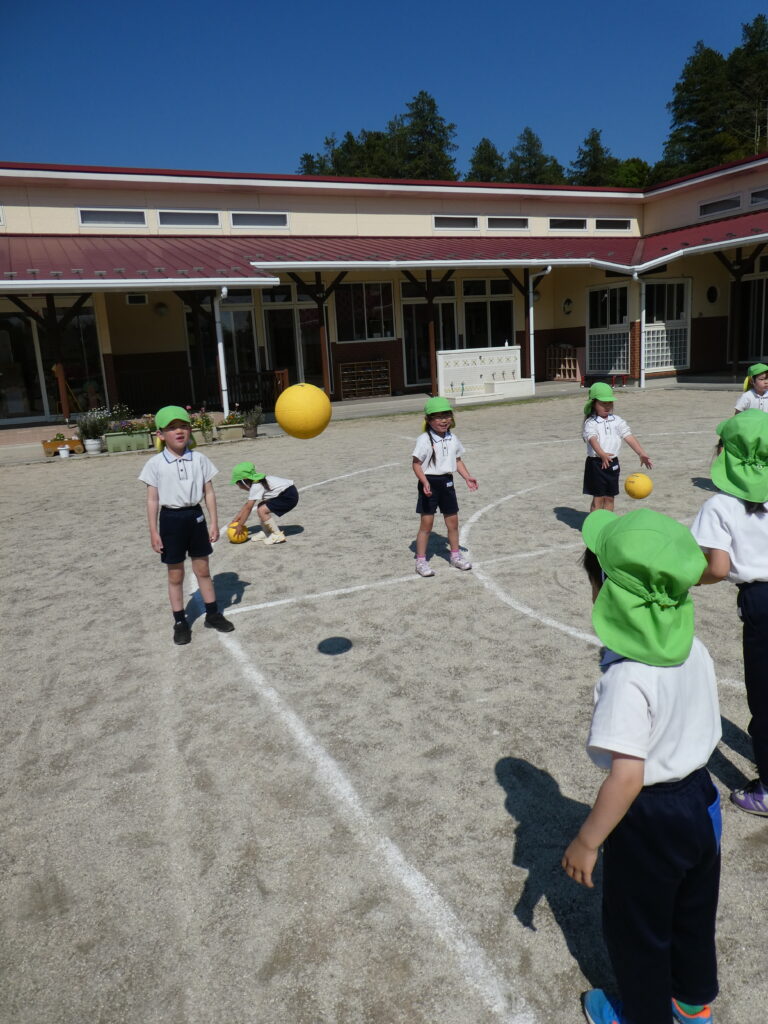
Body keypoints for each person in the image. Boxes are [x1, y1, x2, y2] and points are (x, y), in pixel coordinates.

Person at [562, 508, 721, 1024]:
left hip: (650, 817)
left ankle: (644, 1016)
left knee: (639, 928)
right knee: (693, 909)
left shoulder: (626, 678)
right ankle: (692, 1003)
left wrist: (588, 840)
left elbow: (627, 777)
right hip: (702, 800)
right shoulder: (694, 648)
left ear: (605, 596)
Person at [691, 408, 768, 816]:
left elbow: (717, 568)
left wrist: (690, 579)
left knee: (765, 698)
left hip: (761, 603)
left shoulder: (720, 506)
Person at [138, 405, 234, 645]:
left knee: (203, 569)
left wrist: (214, 522)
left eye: (183, 426)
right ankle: (180, 621)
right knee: (175, 574)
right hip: (170, 520)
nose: (179, 431)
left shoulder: (199, 459)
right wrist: (154, 532)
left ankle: (212, 614)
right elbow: (152, 500)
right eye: (172, 428)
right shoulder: (155, 464)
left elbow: (209, 492)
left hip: (195, 517)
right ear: (160, 434)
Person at [411, 397, 478, 577]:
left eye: (447, 416)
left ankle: (455, 556)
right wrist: (424, 481)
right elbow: (416, 464)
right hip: (429, 484)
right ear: (428, 420)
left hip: (447, 482)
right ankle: (421, 560)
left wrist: (467, 477)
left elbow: (457, 460)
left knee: (453, 522)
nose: (444, 420)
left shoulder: (452, 438)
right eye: (438, 417)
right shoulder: (424, 439)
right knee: (427, 524)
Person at [582, 383, 653, 513]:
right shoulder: (590, 423)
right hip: (597, 464)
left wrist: (641, 453)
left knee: (610, 498)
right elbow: (592, 440)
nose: (607, 406)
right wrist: (602, 454)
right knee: (598, 499)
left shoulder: (617, 420)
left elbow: (628, 436)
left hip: (613, 463)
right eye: (603, 403)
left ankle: (609, 523)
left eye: (610, 403)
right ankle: (595, 523)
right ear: (593, 404)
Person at [229, 462, 299, 545]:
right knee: (260, 506)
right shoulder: (257, 481)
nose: (239, 487)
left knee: (262, 510)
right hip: (287, 493)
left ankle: (277, 535)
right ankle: (267, 532)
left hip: (289, 497)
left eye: (237, 483)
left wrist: (240, 525)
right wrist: (236, 519)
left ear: (243, 481)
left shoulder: (256, 486)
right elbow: (247, 505)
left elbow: (248, 508)